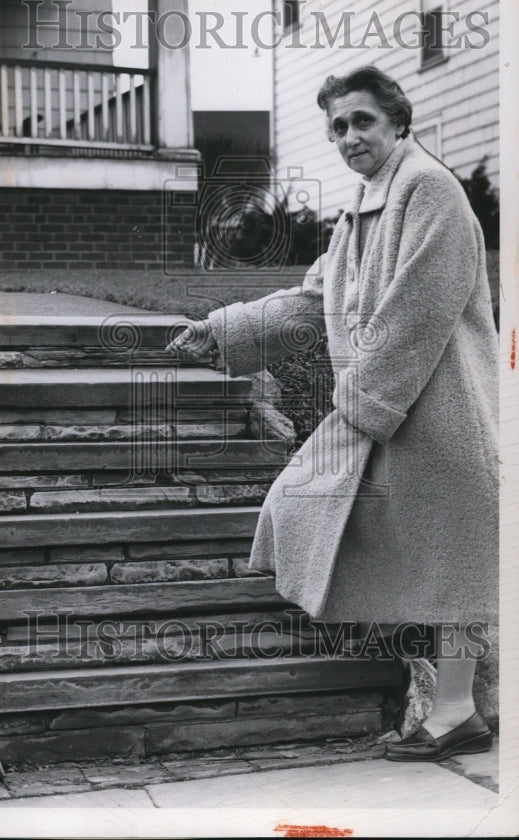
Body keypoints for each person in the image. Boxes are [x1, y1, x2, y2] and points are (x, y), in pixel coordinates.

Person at [167, 65, 498, 762]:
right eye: (336, 126)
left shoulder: (429, 190)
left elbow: (417, 314)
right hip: (390, 408)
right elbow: (312, 301)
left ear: (397, 121)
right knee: (328, 518)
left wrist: (357, 411)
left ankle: (456, 710)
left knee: (454, 563)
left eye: (361, 122)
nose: (347, 136)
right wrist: (223, 331)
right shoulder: (360, 210)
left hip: (439, 411)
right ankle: (442, 702)